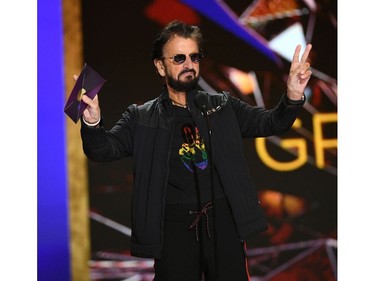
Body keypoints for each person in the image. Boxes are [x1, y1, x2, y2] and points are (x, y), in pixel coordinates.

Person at [79, 20, 312, 281]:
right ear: (160, 65)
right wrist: (92, 122)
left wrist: (292, 96)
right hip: (174, 228)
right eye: (179, 58)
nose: (189, 64)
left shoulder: (222, 106)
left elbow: (272, 122)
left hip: (224, 223)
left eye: (194, 57)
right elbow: (103, 150)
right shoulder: (142, 117)